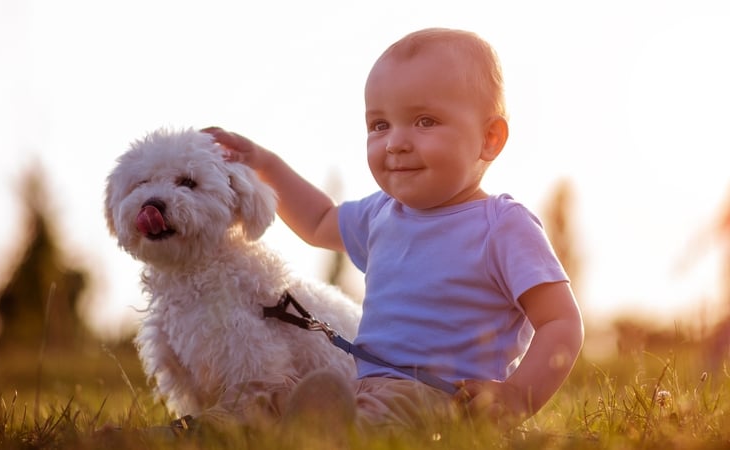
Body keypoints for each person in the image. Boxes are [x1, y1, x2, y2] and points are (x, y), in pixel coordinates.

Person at [201, 27, 584, 434]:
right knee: (268, 398)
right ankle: (207, 431)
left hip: (440, 397)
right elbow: (317, 221)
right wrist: (265, 163)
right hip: (361, 385)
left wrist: (516, 395)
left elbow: (561, 322)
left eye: (425, 121)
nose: (395, 143)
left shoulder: (503, 226)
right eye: (379, 125)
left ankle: (322, 431)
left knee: (374, 414)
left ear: (489, 138)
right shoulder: (381, 214)